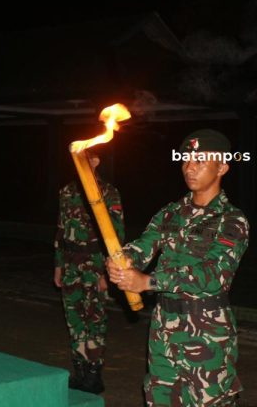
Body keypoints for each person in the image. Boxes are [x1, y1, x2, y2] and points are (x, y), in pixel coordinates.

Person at [108, 129, 249, 406]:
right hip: (164, 329)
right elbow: (143, 246)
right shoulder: (170, 213)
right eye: (186, 159)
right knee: (160, 398)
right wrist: (121, 259)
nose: (189, 167)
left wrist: (148, 282)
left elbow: (213, 275)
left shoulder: (232, 221)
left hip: (207, 332)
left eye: (199, 160)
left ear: (222, 167)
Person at [54, 149, 125, 394]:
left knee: (95, 318)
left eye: (86, 159)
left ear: (95, 161)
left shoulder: (108, 193)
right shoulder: (67, 192)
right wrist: (58, 265)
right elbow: (61, 231)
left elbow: (117, 235)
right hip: (72, 264)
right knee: (74, 319)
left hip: (96, 264)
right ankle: (80, 370)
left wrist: (109, 272)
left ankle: (94, 373)